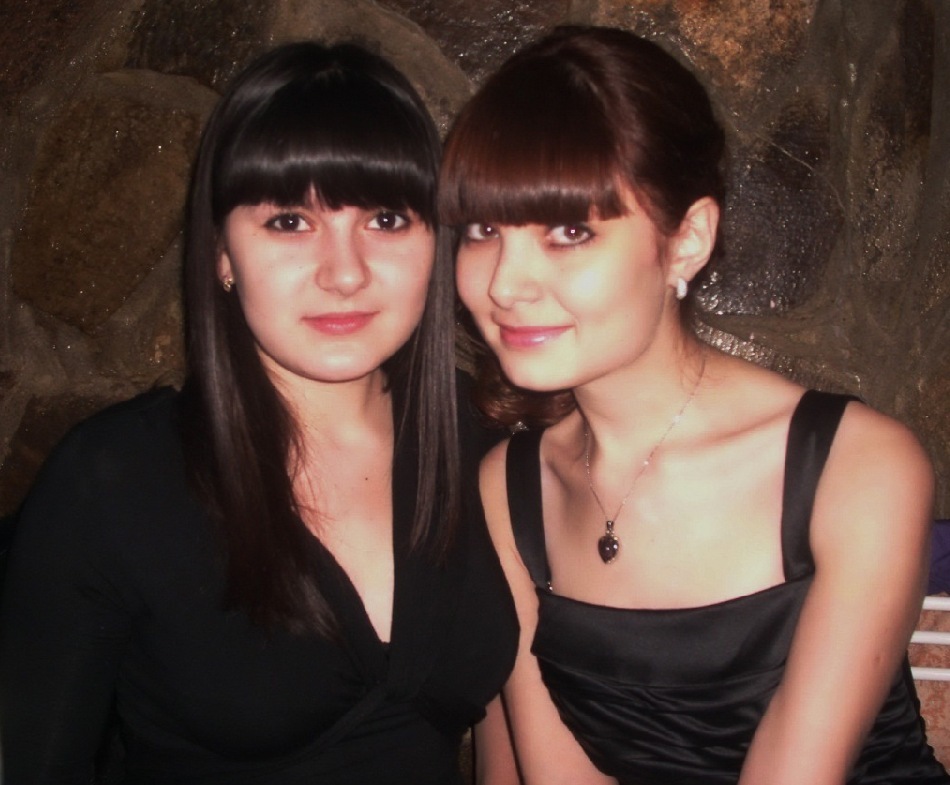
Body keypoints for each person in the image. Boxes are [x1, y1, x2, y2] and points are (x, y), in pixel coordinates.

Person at [440, 25, 948, 785]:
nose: (504, 284)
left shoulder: (857, 465)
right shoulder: (507, 488)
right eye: (484, 229)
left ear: (687, 240)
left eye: (569, 231)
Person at [0, 41, 517, 784]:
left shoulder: (485, 447)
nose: (345, 272)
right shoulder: (115, 483)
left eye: (385, 218)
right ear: (221, 253)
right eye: (289, 222)